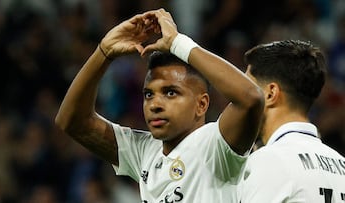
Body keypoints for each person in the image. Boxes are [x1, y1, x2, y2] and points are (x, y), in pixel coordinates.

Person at [55, 8, 264, 202]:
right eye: (148, 95)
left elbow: (251, 97)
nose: (155, 104)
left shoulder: (215, 145)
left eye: (170, 93)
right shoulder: (144, 151)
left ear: (201, 105)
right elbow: (72, 121)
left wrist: (177, 43)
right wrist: (104, 52)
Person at [237, 40, 345, 202]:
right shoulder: (341, 164)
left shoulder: (269, 161)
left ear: (270, 93)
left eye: (248, 89)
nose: (240, 99)